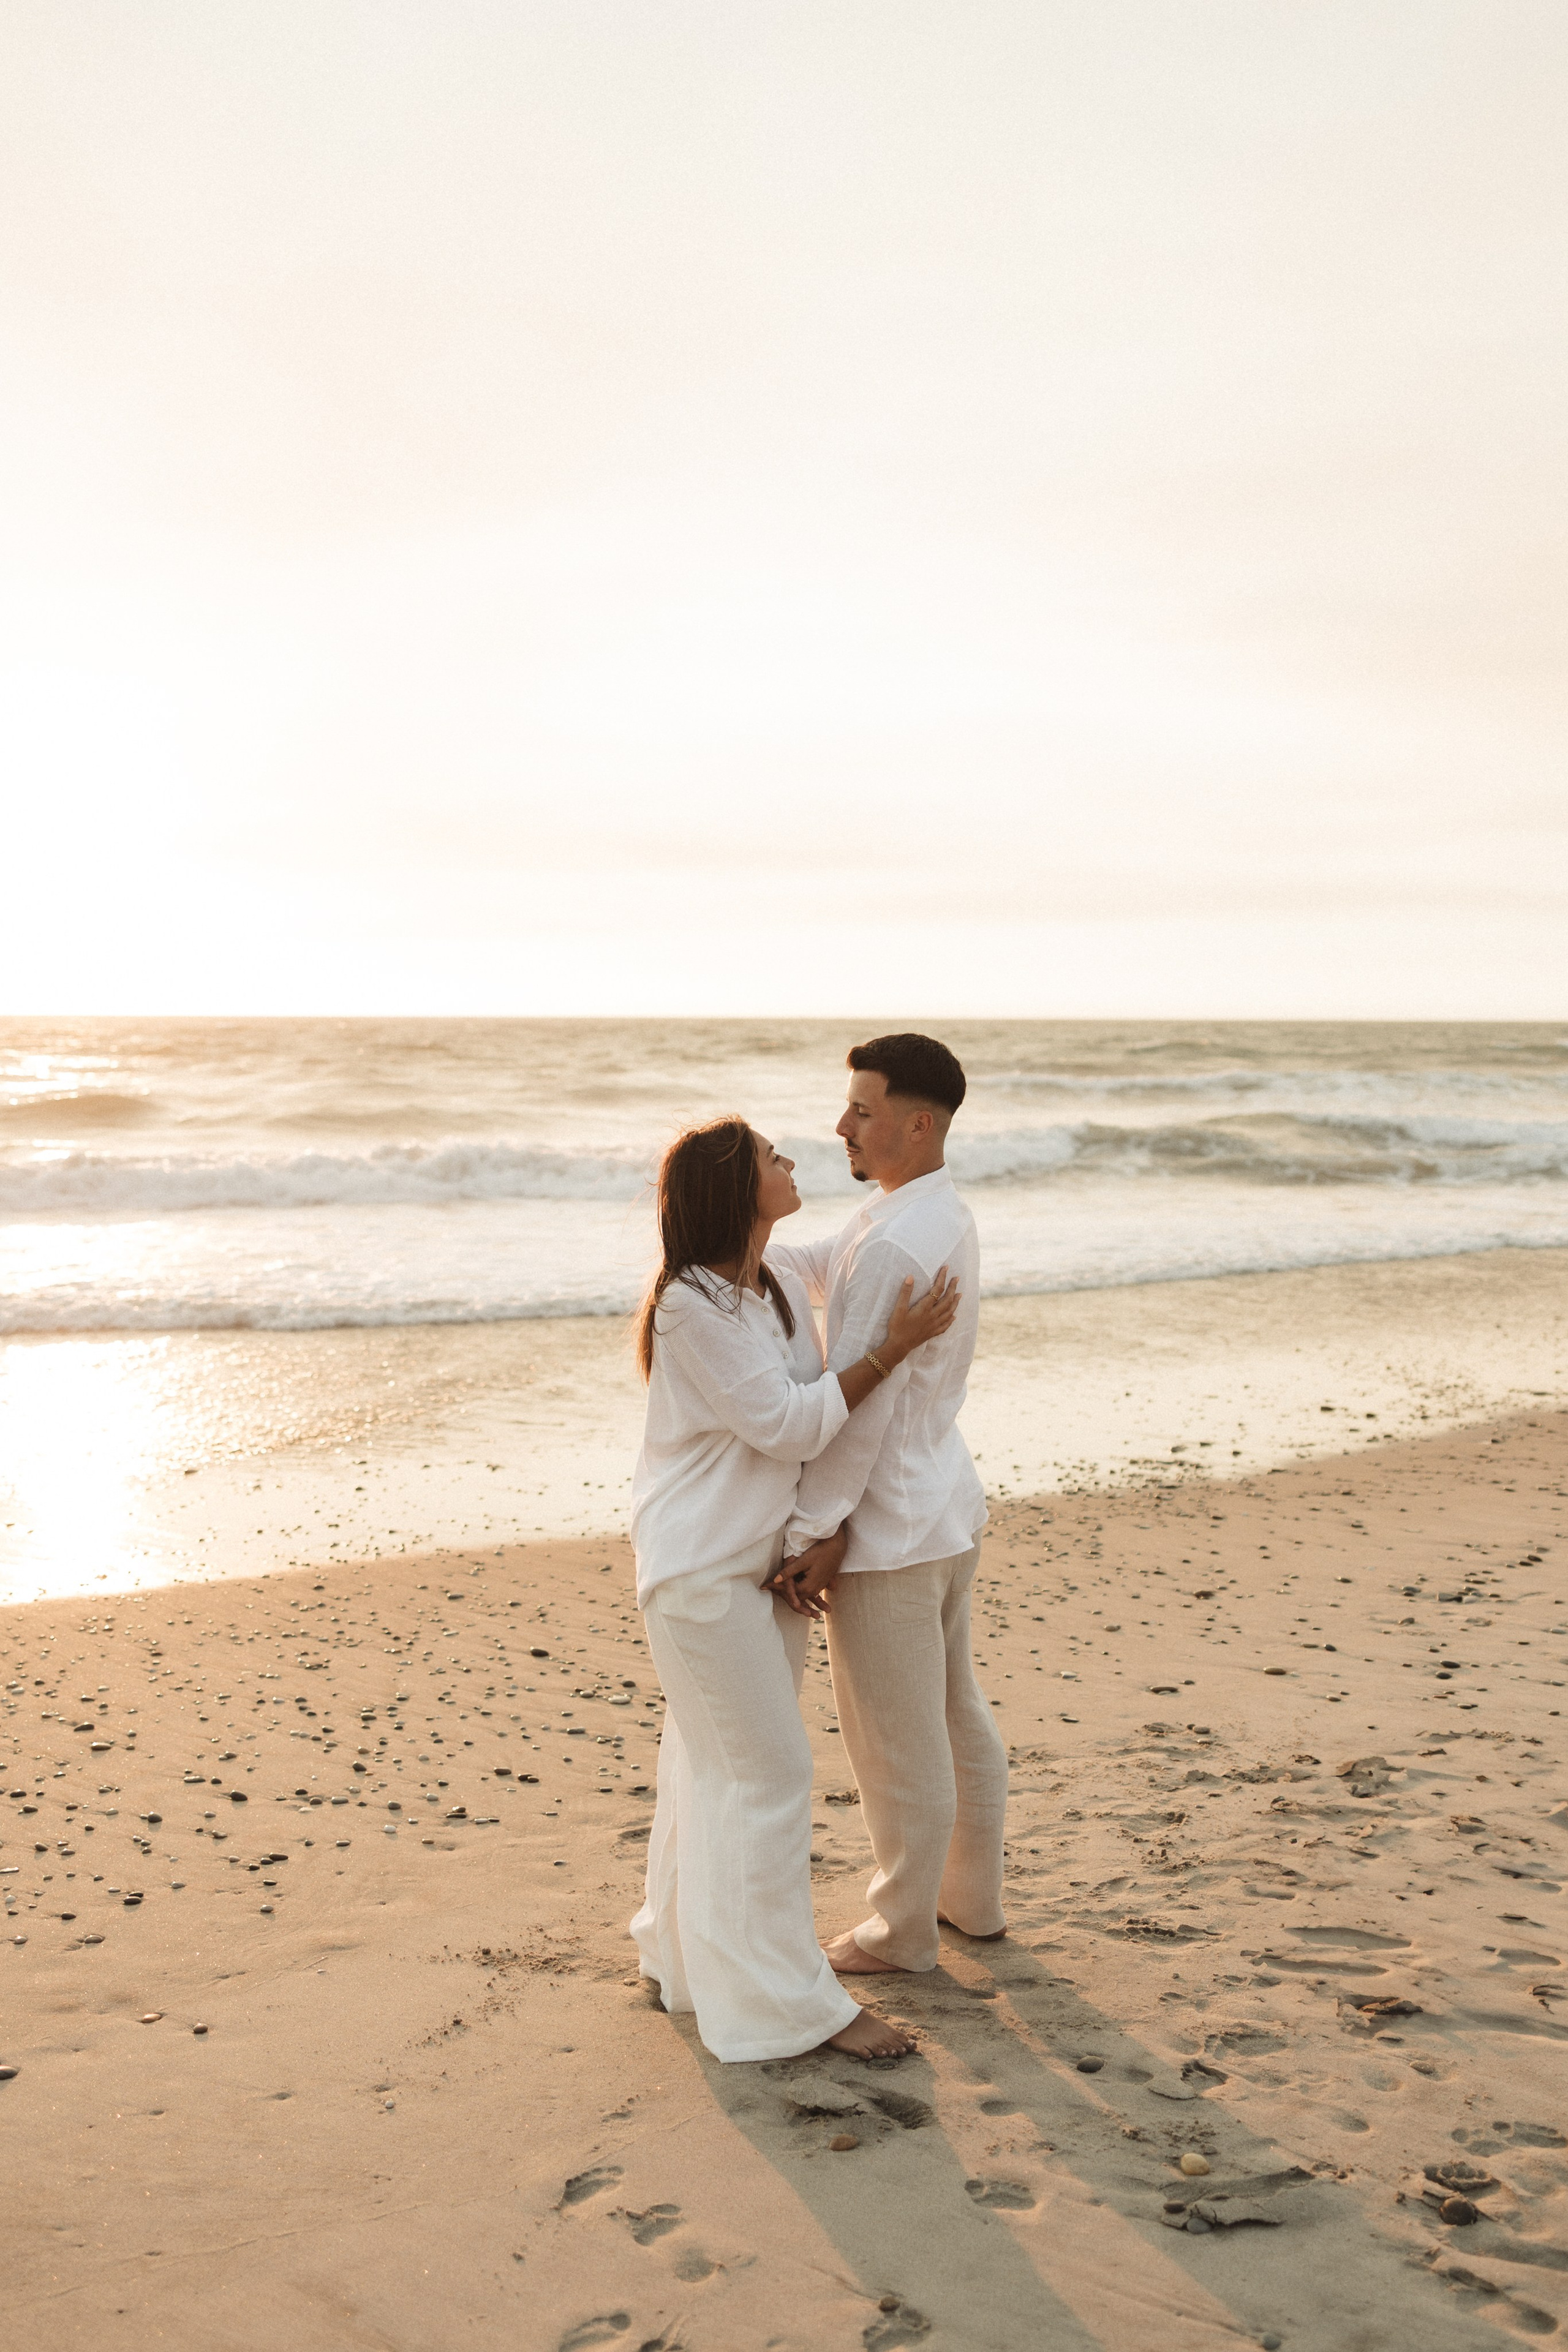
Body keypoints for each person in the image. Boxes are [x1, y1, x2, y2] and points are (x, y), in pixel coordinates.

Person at [628, 1114, 959, 2063]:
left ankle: (683, 1963)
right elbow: (789, 1424)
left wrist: (920, 1193)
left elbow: (860, 1248)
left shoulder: (767, 1278)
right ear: (737, 1189)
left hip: (760, 1567)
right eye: (772, 1158)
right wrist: (891, 1347)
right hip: (699, 1574)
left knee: (710, 1772)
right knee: (767, 1778)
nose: (791, 1161)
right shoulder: (689, 1307)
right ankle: (789, 2008)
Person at [766, 1033, 1008, 1977]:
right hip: (939, 1504)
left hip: (892, 1530)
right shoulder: (923, 1209)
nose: (842, 1126)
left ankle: (902, 1933)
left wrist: (814, 1532)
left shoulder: (898, 1239)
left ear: (919, 1123)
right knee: (953, 1712)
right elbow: (821, 1264)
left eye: (862, 1111)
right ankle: (970, 1901)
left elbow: (856, 1415)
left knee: (896, 1746)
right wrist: (725, 1242)